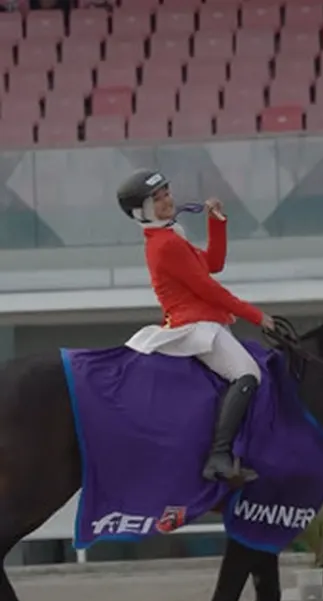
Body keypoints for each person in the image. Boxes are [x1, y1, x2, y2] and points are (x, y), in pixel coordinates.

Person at [117, 168, 275, 486]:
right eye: (157, 199)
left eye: (166, 194)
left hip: (206, 319)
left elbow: (213, 264)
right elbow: (209, 289)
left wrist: (216, 221)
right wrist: (256, 316)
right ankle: (218, 455)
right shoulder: (165, 245)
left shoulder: (171, 236)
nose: (166, 201)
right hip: (196, 324)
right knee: (248, 374)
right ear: (143, 211)